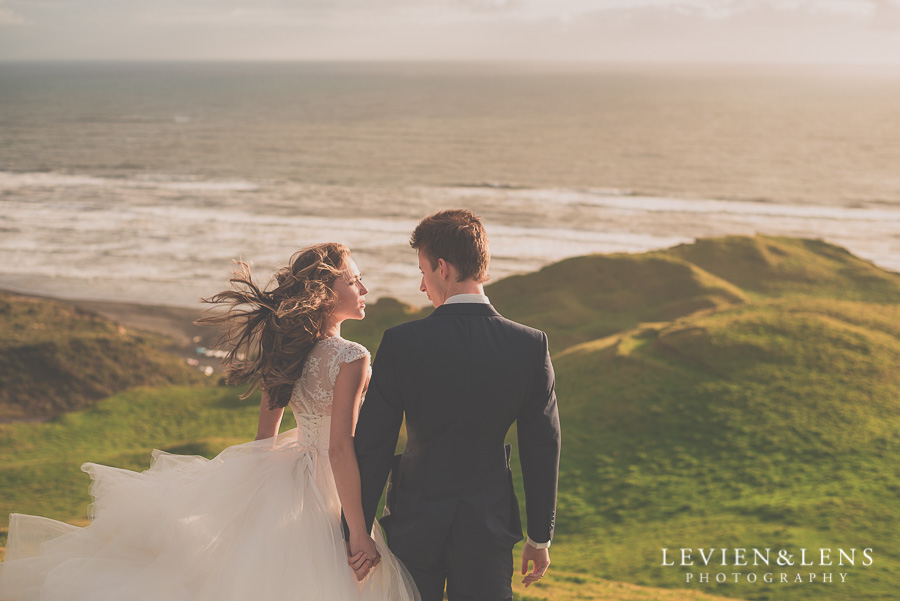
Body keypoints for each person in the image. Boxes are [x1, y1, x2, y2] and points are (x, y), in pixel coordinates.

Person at [0, 243, 420, 601]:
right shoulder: (352, 356)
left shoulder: (288, 347)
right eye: (354, 281)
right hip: (329, 484)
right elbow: (339, 447)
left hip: (285, 474)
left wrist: (249, 497)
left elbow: (264, 437)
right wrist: (359, 530)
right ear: (326, 293)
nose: (364, 289)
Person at [348, 210, 561, 601]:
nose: (421, 285)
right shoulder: (531, 345)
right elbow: (542, 446)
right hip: (489, 525)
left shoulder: (402, 342)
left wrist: (356, 532)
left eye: (423, 271)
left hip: (414, 520)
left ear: (442, 268)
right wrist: (539, 536)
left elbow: (373, 444)